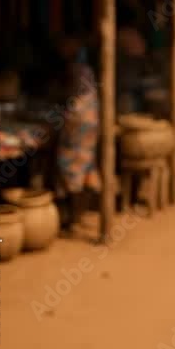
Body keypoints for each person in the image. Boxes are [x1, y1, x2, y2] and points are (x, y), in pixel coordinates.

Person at [53, 36, 101, 233]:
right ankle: (79, 213)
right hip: (89, 121)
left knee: (68, 165)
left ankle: (71, 217)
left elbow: (69, 95)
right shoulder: (87, 69)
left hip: (78, 123)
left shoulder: (75, 69)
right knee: (86, 164)